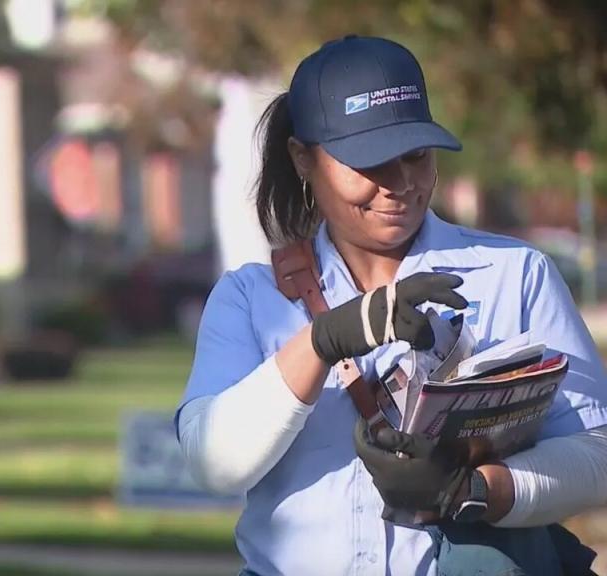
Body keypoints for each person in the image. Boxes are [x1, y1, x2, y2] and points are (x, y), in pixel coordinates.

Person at [177, 35, 607, 576]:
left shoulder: (517, 275)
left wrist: (473, 489)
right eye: (370, 163)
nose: (400, 184)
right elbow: (213, 463)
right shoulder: (250, 298)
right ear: (302, 159)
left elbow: (597, 456)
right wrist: (323, 341)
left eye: (416, 156)